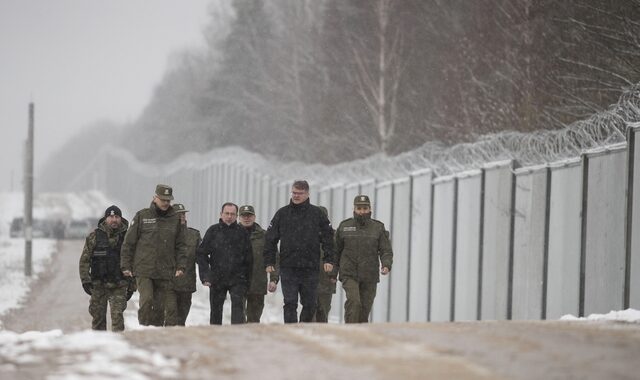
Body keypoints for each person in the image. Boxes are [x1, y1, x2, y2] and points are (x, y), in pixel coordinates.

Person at [264, 180, 336, 323]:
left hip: (310, 267)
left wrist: (328, 259)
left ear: (307, 194)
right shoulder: (282, 214)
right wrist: (269, 261)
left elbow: (328, 237)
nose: (296, 196)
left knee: (310, 304)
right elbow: (270, 238)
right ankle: (291, 329)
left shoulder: (317, 214)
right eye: (294, 193)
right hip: (288, 267)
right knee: (290, 302)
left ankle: (304, 327)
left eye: (300, 193)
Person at [120, 184, 187, 327]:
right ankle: (143, 327)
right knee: (147, 300)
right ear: (154, 198)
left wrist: (181, 265)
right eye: (162, 199)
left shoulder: (175, 219)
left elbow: (181, 245)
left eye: (168, 200)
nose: (165, 203)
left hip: (165, 270)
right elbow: (129, 243)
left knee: (159, 306)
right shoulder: (142, 216)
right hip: (144, 269)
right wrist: (125, 265)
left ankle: (155, 332)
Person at [336, 195, 393, 323]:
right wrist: (333, 273)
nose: (362, 211)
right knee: (354, 301)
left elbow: (385, 250)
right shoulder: (345, 226)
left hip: (369, 274)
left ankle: (360, 335)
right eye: (359, 208)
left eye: (365, 208)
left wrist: (386, 264)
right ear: (354, 208)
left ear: (370, 209)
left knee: (364, 309)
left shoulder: (377, 228)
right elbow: (336, 251)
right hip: (349, 273)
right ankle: (350, 331)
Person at [79, 205, 134, 331]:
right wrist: (85, 281)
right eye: (111, 217)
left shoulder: (128, 237)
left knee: (117, 320)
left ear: (121, 218)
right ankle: (100, 347)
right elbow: (84, 260)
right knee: (98, 320)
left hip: (119, 285)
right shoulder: (94, 236)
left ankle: (117, 347)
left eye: (116, 217)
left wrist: (132, 285)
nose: (114, 220)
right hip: (98, 285)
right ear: (106, 218)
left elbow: (134, 262)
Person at [197, 202, 253, 325]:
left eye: (232, 214)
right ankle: (216, 336)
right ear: (221, 214)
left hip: (238, 279)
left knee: (238, 309)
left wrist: (247, 280)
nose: (229, 216)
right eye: (226, 213)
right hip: (217, 278)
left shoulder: (242, 233)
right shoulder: (213, 231)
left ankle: (236, 335)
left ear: (237, 216)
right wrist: (205, 275)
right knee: (216, 311)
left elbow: (249, 258)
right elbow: (201, 254)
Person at [238, 205, 278, 323]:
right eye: (244, 216)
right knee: (238, 318)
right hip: (237, 283)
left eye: (249, 216)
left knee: (254, 319)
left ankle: (252, 340)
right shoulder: (232, 234)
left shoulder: (264, 236)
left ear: (254, 217)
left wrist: (274, 279)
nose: (247, 218)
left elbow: (274, 258)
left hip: (258, 283)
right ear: (239, 217)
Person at [172, 203, 201, 326]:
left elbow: (202, 257)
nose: (182, 216)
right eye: (178, 214)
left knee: (181, 321)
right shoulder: (164, 235)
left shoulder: (194, 235)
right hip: (169, 285)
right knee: (170, 319)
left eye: (183, 214)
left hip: (186, 286)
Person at [313, 206, 338, 323]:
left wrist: (334, 274)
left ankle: (320, 336)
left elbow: (339, 257)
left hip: (327, 279)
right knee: (310, 311)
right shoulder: (305, 236)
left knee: (323, 312)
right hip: (309, 280)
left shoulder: (334, 236)